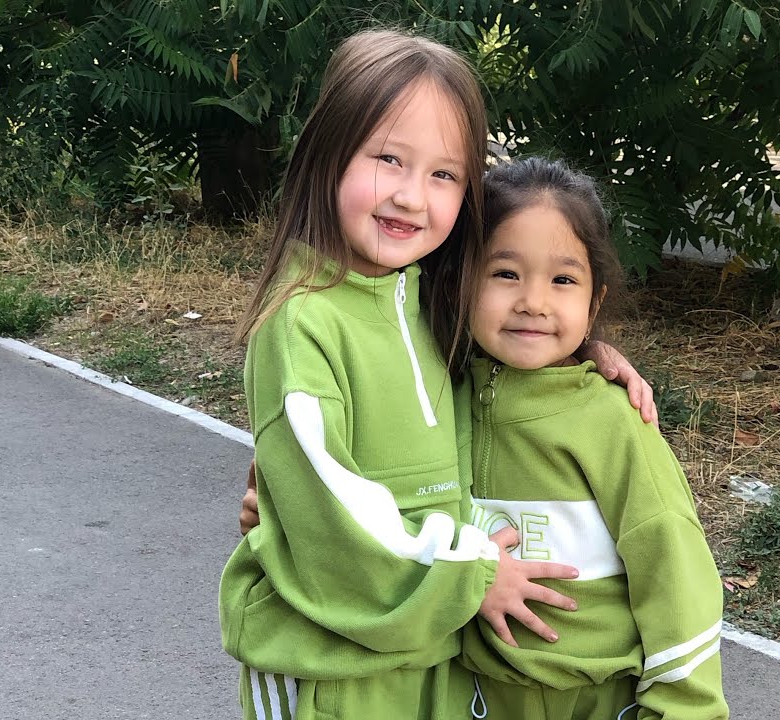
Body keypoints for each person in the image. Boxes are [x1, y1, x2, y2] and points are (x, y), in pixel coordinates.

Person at [221, 29, 655, 720]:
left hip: (429, 651)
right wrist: (473, 575)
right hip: (327, 664)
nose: (411, 197)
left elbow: (498, 354)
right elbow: (334, 513)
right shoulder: (301, 321)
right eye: (389, 159)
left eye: (444, 175)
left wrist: (584, 355)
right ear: (328, 153)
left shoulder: (423, 298)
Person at [457, 157, 728, 719]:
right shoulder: (438, 395)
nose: (533, 301)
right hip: (474, 694)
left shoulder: (613, 419)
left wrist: (685, 706)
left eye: (563, 280)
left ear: (594, 301)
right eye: (505, 273)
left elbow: (675, 569)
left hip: (598, 700)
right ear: (461, 280)